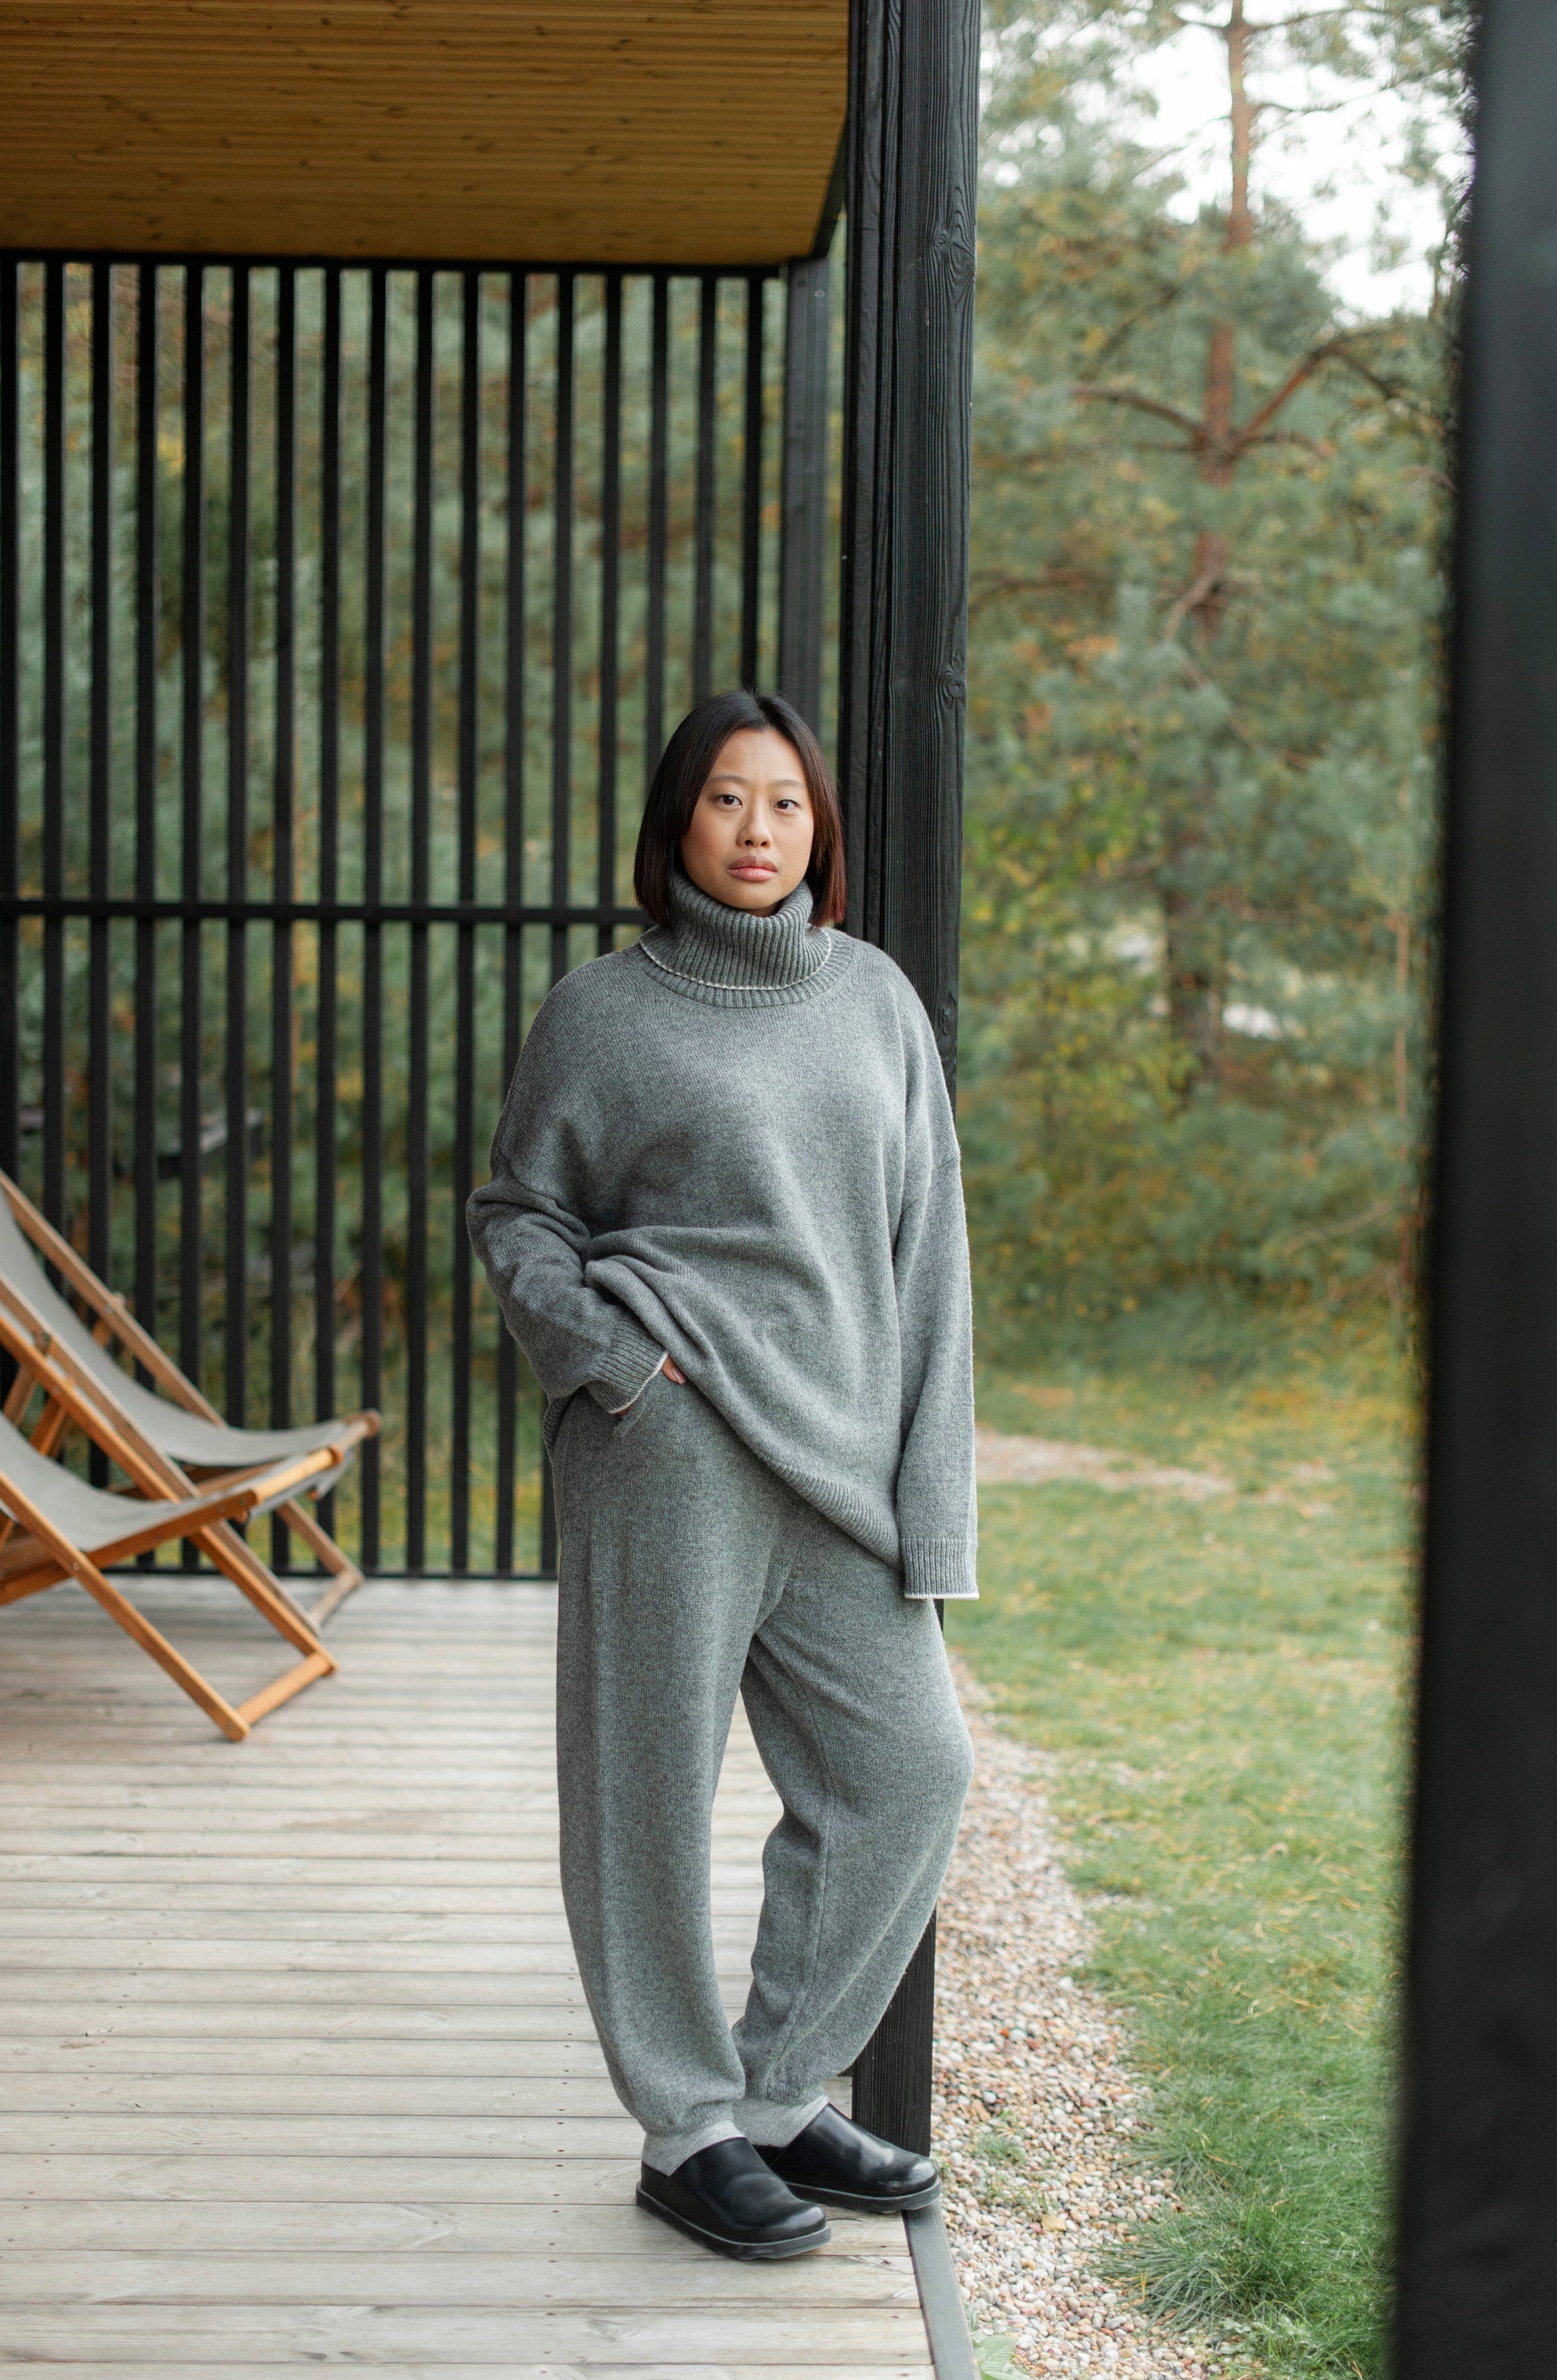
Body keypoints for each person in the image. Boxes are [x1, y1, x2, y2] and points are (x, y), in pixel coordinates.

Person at [468, 690, 977, 2262]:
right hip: (669, 1447)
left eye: (787, 807)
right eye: (726, 803)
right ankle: (685, 2125)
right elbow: (516, 1216)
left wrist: (932, 1503)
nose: (760, 833)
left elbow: (929, 1254)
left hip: (836, 1460)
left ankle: (775, 2095)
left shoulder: (876, 1002)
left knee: (911, 1768)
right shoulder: (602, 1013)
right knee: (650, 1797)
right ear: (675, 822)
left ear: (820, 830)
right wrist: (614, 1366)